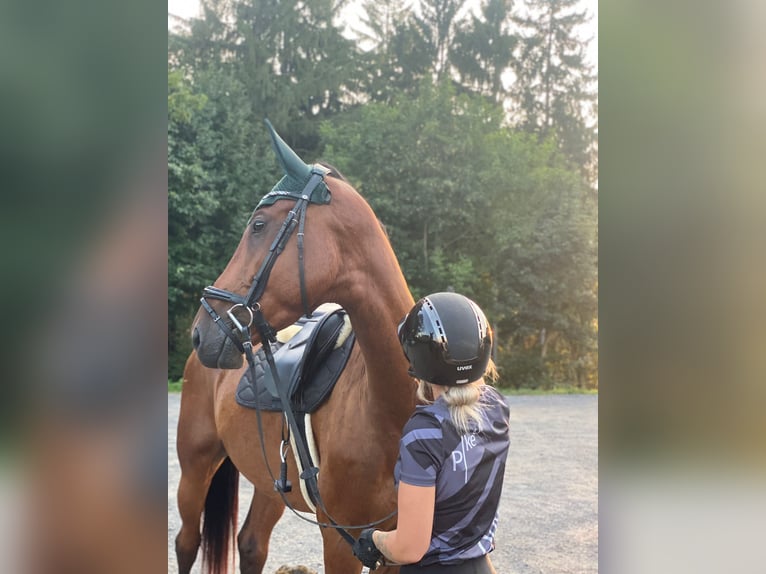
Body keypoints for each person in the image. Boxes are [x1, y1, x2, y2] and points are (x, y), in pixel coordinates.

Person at [353, 292, 511, 573]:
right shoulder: (497, 408)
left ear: (420, 362)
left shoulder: (424, 433)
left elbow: (410, 547)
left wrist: (375, 540)